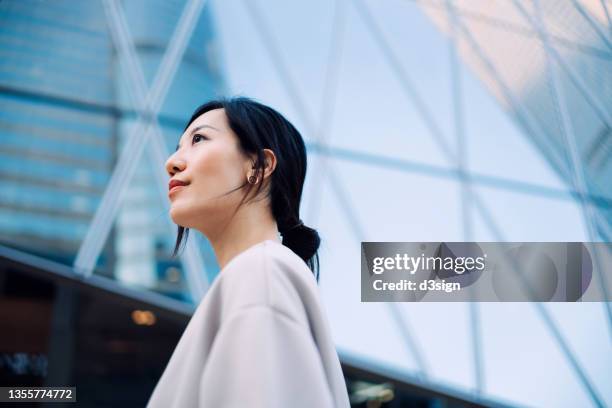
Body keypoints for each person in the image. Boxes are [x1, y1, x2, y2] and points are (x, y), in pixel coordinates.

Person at [146, 97, 351, 407]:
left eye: (198, 139)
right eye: (179, 145)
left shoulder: (260, 274)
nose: (171, 161)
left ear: (258, 166)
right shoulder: (262, 274)